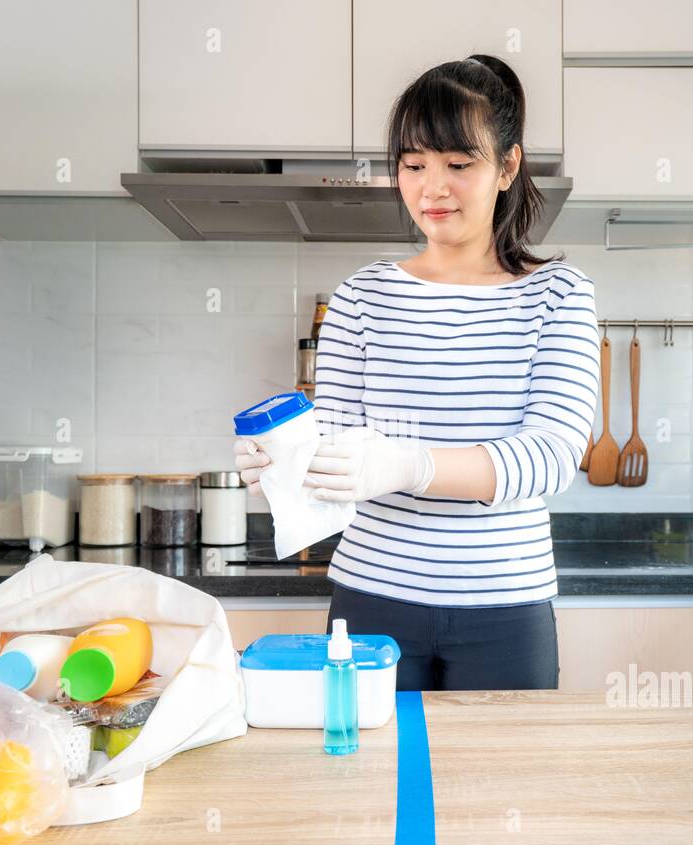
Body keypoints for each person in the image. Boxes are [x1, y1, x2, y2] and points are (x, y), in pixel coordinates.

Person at [233, 55, 600, 691]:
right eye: (413, 165)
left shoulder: (559, 295)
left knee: (502, 788)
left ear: (508, 166)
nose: (433, 188)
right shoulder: (360, 298)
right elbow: (338, 456)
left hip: (506, 607)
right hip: (372, 602)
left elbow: (551, 456)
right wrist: (281, 469)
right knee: (366, 787)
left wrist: (410, 466)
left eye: (459, 165)